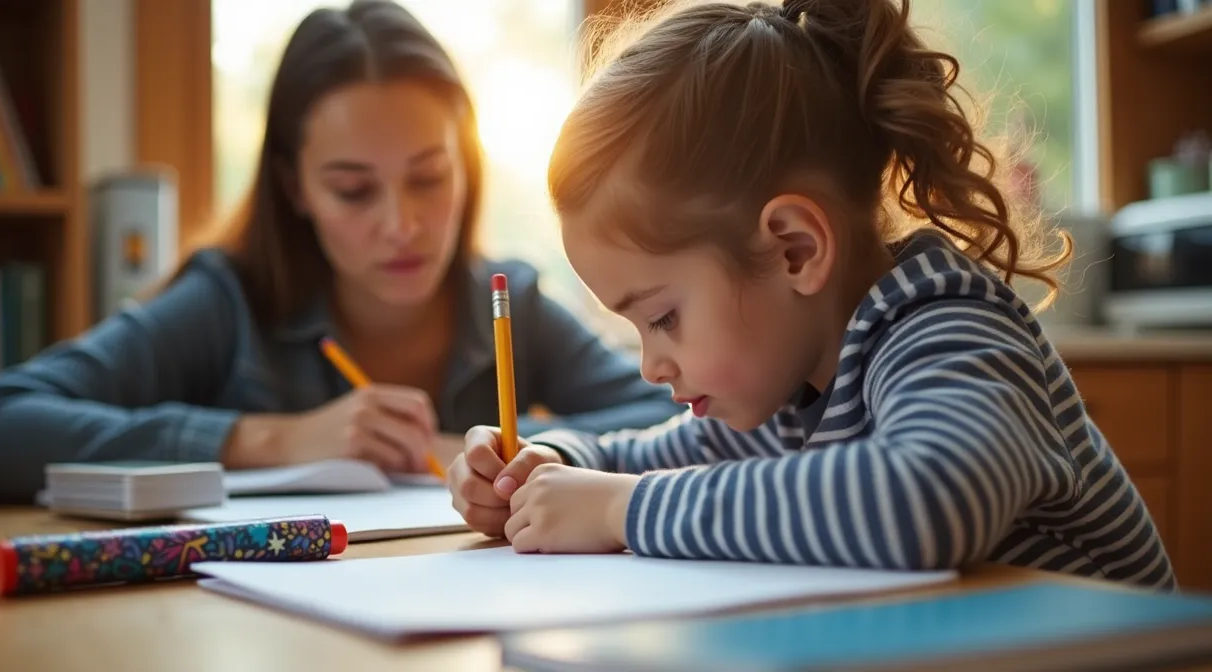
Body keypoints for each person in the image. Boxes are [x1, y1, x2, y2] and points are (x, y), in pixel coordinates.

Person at [447, 0, 1176, 591]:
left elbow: (923, 502)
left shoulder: (947, 324)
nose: (651, 365)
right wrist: (539, 461)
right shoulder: (788, 390)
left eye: (663, 317)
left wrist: (621, 510)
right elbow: (639, 453)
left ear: (795, 249)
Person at [0, 0, 681, 502]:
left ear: (467, 165)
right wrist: (271, 439)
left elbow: (695, 417)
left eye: (429, 178)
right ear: (294, 187)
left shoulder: (506, 302)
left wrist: (487, 443)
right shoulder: (227, 302)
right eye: (354, 191)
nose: (403, 224)